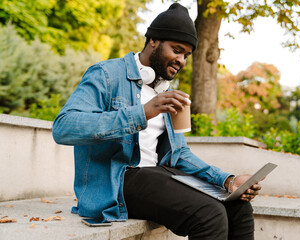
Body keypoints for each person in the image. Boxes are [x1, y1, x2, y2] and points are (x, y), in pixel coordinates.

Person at [52, 3, 261, 239]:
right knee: (209, 214)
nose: (181, 60)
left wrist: (226, 180)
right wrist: (143, 113)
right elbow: (64, 127)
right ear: (153, 40)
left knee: (238, 207)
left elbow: (179, 153)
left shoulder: (167, 91)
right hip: (117, 182)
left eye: (186, 55)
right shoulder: (107, 74)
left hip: (157, 175)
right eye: (176, 49)